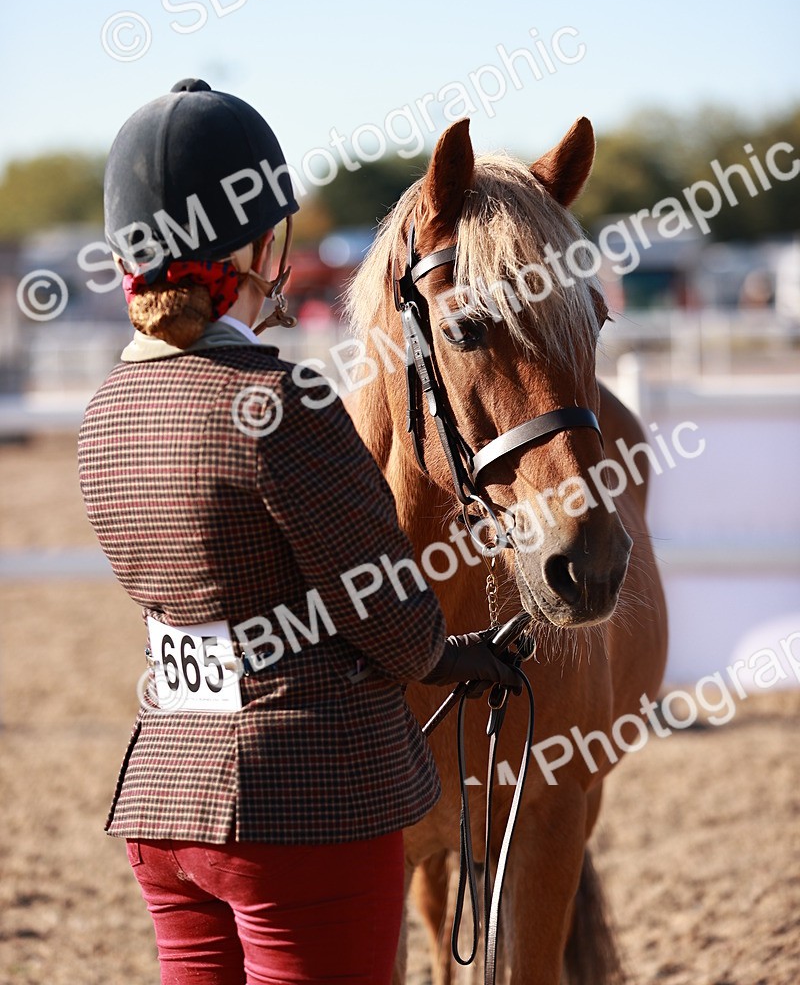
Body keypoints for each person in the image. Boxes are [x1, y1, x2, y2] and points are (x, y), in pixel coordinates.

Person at [78, 79, 520, 985]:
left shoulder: (105, 413)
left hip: (164, 800)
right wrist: (456, 655)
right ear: (256, 245)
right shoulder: (277, 403)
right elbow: (392, 619)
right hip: (307, 808)